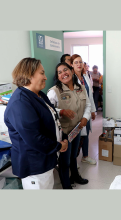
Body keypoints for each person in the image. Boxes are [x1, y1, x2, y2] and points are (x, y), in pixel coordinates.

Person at [4, 58, 68, 189]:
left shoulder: (39, 95)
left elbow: (52, 119)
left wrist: (63, 137)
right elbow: (33, 138)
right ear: (29, 74)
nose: (45, 77)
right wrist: (57, 146)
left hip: (46, 159)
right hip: (34, 165)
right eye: (42, 73)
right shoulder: (20, 102)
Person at [47, 62, 91, 188]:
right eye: (59, 72)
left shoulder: (81, 88)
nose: (63, 74)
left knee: (73, 156)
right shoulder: (54, 91)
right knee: (64, 160)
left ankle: (75, 176)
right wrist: (62, 111)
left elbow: (87, 105)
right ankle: (66, 185)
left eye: (65, 70)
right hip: (64, 132)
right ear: (58, 77)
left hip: (76, 129)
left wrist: (85, 118)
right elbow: (48, 110)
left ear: (71, 71)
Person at [71, 55, 96, 165]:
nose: (79, 64)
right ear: (71, 65)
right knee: (76, 136)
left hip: (86, 110)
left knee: (86, 134)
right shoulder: (71, 79)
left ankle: (85, 156)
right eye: (76, 62)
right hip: (77, 113)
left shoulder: (85, 77)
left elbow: (90, 95)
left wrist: (93, 110)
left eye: (80, 62)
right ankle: (73, 162)